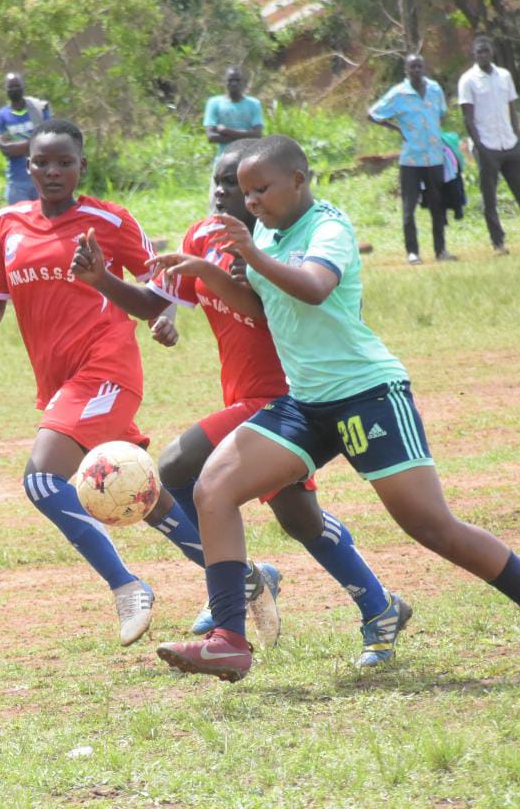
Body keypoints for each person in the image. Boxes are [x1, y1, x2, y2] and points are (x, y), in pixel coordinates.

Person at [150, 135, 520, 683]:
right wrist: (205, 270)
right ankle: (229, 640)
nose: (252, 201)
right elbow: (262, 307)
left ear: (298, 179)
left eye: (260, 189)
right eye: (245, 192)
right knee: (213, 488)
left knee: (431, 526)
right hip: (306, 402)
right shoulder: (265, 229)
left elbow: (313, 288)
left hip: (367, 394)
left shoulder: (329, 228)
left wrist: (251, 253)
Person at [69, 140, 412, 668]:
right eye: (221, 181)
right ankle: (378, 605)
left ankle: (235, 584)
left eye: (239, 183)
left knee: (178, 467)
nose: (225, 192)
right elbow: (154, 301)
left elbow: (286, 308)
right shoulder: (202, 236)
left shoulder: (281, 243)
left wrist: (236, 268)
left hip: (283, 395)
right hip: (243, 393)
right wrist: (103, 281)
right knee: (298, 517)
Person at [0, 118, 244, 648]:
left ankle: (127, 586)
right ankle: (242, 578)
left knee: (41, 480)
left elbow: (160, 286)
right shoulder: (5, 223)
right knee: (140, 495)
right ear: (27, 166)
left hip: (106, 369)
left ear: (82, 166)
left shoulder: (107, 219)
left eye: (64, 162)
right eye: (42, 162)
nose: (53, 171)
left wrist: (163, 317)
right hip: (60, 381)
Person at [458, 35, 520, 254]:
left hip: (510, 144)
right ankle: (498, 243)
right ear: (473, 55)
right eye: (479, 52)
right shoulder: (468, 80)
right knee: (490, 198)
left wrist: (518, 140)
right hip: (487, 146)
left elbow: (512, 110)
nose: (483, 55)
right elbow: (468, 118)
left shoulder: (504, 76)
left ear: (492, 52)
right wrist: (479, 146)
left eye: (486, 50)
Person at [368, 54, 455, 264]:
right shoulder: (399, 93)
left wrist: (433, 130)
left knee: (438, 206)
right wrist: (398, 128)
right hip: (411, 160)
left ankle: (441, 250)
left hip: (434, 156)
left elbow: (442, 112)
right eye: (412, 67)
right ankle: (412, 252)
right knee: (409, 208)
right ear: (406, 71)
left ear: (424, 68)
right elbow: (373, 114)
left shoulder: (434, 89)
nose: (416, 70)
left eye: (419, 66)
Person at [0, 73, 50, 204]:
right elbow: (5, 149)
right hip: (17, 181)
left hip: (42, 178)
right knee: (18, 222)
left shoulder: (38, 110)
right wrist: (34, 143)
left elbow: (48, 141)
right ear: (5, 90)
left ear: (23, 87)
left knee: (46, 221)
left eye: (17, 86)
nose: (14, 90)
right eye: (10, 87)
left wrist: (16, 145)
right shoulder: (0, 116)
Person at [203, 66, 263, 158]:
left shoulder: (254, 104)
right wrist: (246, 135)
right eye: (230, 80)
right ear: (224, 82)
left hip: (247, 160)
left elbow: (257, 135)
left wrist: (226, 131)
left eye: (237, 80)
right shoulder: (214, 103)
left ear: (243, 82)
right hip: (223, 160)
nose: (234, 83)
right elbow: (211, 136)